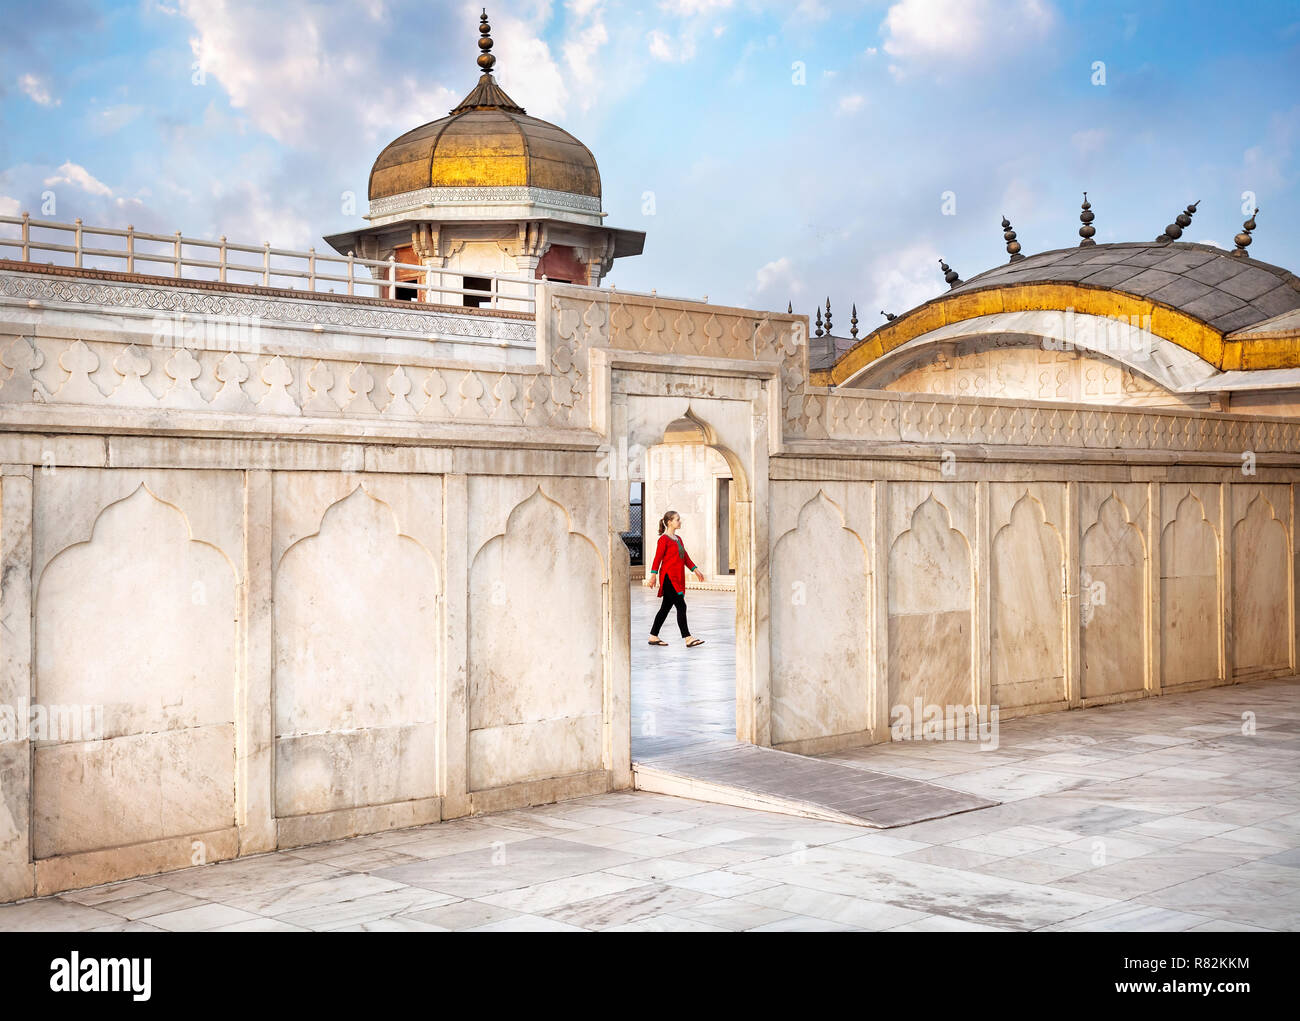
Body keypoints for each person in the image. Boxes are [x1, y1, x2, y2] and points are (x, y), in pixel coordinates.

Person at [645, 510, 706, 647]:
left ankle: (653, 636)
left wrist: (696, 570)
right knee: (681, 605)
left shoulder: (678, 539)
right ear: (669, 522)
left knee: (665, 608)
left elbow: (685, 557)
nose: (680, 522)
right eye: (677, 519)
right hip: (668, 578)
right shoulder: (663, 539)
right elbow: (657, 558)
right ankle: (688, 638)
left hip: (677, 577)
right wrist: (653, 576)